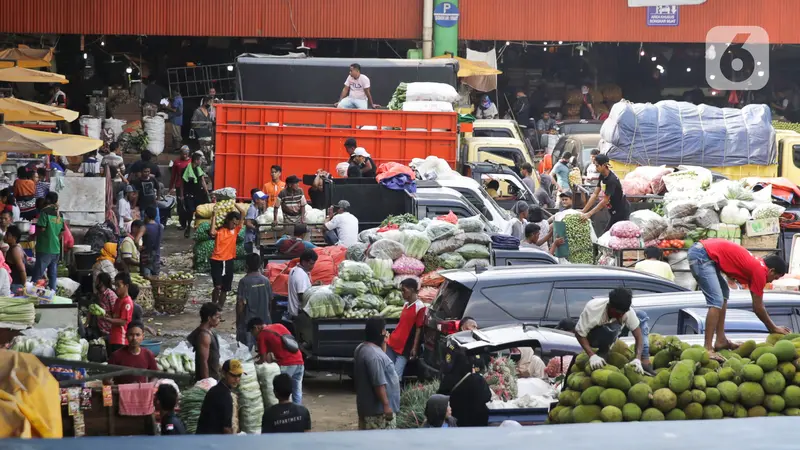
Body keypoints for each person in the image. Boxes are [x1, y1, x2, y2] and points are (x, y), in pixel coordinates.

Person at [688, 239, 789, 357]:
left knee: (724, 292)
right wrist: (774, 328)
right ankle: (707, 348)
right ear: (771, 271)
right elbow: (758, 307)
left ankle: (720, 340)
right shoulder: (760, 271)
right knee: (716, 300)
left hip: (705, 253)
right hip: (702, 254)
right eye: (775, 278)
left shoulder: (758, 266)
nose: (772, 281)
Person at [574, 288, 652, 374]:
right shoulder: (593, 309)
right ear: (610, 306)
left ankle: (645, 362)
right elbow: (579, 333)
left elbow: (638, 336)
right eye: (618, 313)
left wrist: (637, 358)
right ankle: (601, 351)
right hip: (592, 339)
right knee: (605, 331)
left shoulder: (627, 313)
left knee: (641, 315)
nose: (621, 315)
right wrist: (592, 355)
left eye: (623, 313)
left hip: (610, 338)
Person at [354, 317, 400, 430]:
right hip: (378, 414)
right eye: (384, 330)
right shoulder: (373, 356)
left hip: (369, 410)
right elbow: (379, 383)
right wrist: (386, 405)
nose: (386, 332)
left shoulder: (363, 348)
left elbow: (381, 360)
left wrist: (384, 343)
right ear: (379, 332)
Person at [250, 318, 305, 404]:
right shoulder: (279, 325)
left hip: (287, 364)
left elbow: (263, 360)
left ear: (256, 327)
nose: (253, 335)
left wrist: (253, 365)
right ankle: (297, 410)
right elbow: (283, 342)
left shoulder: (262, 335)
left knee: (284, 391)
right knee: (296, 390)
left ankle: (284, 413)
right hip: (299, 360)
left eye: (252, 332)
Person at [438, 347, 491, 427]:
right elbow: (487, 397)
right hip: (479, 425)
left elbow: (440, 401)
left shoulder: (447, 381)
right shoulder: (478, 379)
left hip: (458, 425)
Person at [386, 278, 427, 378]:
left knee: (396, 375)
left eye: (404, 290)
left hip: (404, 347)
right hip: (393, 342)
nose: (402, 293)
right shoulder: (405, 305)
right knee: (389, 371)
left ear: (412, 290)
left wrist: (414, 347)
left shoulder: (420, 307)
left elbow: (418, 328)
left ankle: (395, 393)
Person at [581, 154, 630, 232]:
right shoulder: (603, 175)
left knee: (608, 234)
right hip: (613, 210)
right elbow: (595, 194)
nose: (595, 168)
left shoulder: (611, 180)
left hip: (621, 211)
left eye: (597, 166)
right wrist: (583, 211)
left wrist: (589, 214)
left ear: (604, 165)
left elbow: (605, 200)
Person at [196, 359, 243, 435]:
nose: (237, 379)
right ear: (224, 373)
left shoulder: (215, 390)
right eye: (233, 375)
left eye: (239, 375)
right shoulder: (225, 396)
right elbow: (226, 429)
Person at [237, 254, 272, 348]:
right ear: (260, 265)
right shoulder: (266, 281)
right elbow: (270, 302)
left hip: (249, 322)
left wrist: (238, 320)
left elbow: (240, 304)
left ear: (246, 266)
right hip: (264, 320)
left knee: (245, 350)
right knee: (264, 347)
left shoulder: (244, 282)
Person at [210, 211, 242, 307]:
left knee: (225, 288)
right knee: (217, 286)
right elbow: (212, 232)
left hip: (228, 261)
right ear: (228, 220)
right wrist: (214, 216)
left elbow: (243, 212)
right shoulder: (220, 231)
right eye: (233, 222)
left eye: (236, 223)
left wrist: (234, 203)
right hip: (216, 261)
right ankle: (213, 307)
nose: (234, 225)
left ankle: (219, 310)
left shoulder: (235, 230)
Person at [32, 192, 63, 290]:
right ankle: (52, 294)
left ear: (47, 200)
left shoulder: (44, 212)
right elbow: (61, 233)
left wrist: (33, 236)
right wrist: (54, 239)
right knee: (52, 275)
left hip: (45, 247)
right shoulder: (60, 214)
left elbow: (42, 229)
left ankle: (31, 294)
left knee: (37, 275)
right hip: (56, 248)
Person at [188, 303, 222, 382]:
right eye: (217, 317)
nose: (219, 320)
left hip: (213, 376)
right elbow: (203, 361)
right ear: (209, 318)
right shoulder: (204, 336)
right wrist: (206, 382)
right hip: (208, 378)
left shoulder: (209, 331)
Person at [181, 152, 210, 238]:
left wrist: (207, 191)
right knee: (190, 211)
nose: (200, 162)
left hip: (198, 193)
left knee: (199, 211)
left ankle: (198, 229)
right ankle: (188, 227)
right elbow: (182, 183)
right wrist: (182, 195)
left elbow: (202, 181)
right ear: (196, 160)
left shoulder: (198, 169)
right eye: (200, 160)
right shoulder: (186, 170)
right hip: (189, 194)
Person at [107, 273, 134, 354]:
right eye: (115, 286)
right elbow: (115, 315)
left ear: (126, 286)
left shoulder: (127, 302)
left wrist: (109, 320)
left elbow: (123, 321)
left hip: (121, 339)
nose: (116, 288)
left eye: (119, 286)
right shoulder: (118, 300)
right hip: (113, 337)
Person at [287, 249, 316, 323]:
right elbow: (302, 297)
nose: (312, 266)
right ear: (303, 261)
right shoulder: (301, 275)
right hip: (299, 315)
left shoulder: (294, 269)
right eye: (311, 263)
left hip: (292, 311)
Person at [170, 146, 192, 230]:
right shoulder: (177, 162)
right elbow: (173, 175)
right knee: (180, 205)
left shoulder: (191, 162)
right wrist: (171, 187)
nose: (185, 155)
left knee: (188, 204)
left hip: (189, 186)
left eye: (186, 154)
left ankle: (189, 222)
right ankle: (182, 223)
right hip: (179, 186)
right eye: (183, 154)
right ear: (181, 153)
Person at [94, 272, 117, 338]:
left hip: (109, 330)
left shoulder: (110, 295)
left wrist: (104, 314)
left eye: (97, 280)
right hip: (101, 329)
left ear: (101, 282)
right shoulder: (98, 294)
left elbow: (115, 312)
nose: (95, 282)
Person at [140, 207, 163, 277]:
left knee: (147, 279)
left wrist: (139, 247)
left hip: (146, 257)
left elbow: (136, 239)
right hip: (156, 256)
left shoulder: (144, 227)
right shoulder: (160, 226)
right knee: (156, 278)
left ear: (146, 215)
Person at [244, 190, 268, 254]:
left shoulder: (257, 209)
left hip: (253, 238)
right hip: (250, 240)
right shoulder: (252, 209)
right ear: (257, 200)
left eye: (264, 200)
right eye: (262, 200)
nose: (264, 202)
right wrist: (257, 229)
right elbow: (248, 223)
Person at [5, 225, 26, 291]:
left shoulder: (15, 250)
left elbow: (22, 270)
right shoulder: (15, 247)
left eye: (8, 235)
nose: (5, 236)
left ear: (14, 238)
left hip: (15, 285)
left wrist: (23, 286)